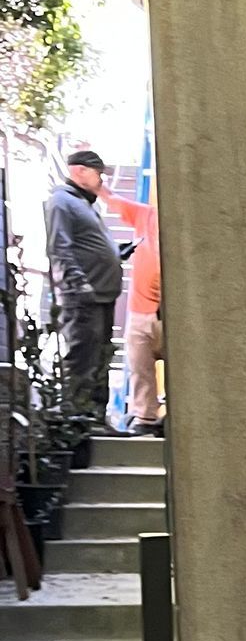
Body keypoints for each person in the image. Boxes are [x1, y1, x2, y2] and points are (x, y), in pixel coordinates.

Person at [44, 147, 124, 421]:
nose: (102, 180)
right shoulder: (61, 202)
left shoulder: (83, 203)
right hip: (84, 298)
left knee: (100, 361)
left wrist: (117, 253)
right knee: (82, 362)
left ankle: (96, 422)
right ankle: (78, 426)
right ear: (79, 171)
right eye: (98, 173)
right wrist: (81, 287)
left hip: (101, 296)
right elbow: (60, 249)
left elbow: (84, 245)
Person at [123, 225, 163, 434]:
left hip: (166, 313)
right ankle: (145, 415)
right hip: (142, 313)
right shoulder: (145, 223)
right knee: (140, 367)